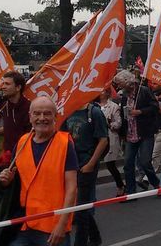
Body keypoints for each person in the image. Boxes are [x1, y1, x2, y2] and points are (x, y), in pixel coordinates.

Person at [0, 96, 78, 246]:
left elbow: (72, 188)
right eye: (37, 113)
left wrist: (62, 224)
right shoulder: (22, 142)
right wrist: (6, 179)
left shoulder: (65, 144)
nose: (42, 118)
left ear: (55, 117)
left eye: (47, 114)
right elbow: (16, 179)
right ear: (30, 117)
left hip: (51, 227)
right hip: (24, 223)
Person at [61, 101, 108, 246]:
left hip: (86, 164)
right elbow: (62, 137)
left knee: (80, 208)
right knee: (80, 205)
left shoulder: (94, 112)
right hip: (71, 165)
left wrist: (91, 164)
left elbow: (103, 140)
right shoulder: (67, 111)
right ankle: (95, 237)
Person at [114, 70, 161, 195]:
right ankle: (131, 191)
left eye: (120, 84)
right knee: (128, 164)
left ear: (127, 82)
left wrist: (140, 112)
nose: (118, 87)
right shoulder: (124, 96)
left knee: (145, 161)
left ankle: (156, 184)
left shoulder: (143, 91)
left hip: (144, 132)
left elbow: (155, 107)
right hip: (130, 133)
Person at [0, 71, 31, 165]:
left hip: (23, 156)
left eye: (7, 84)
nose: (2, 87)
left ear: (18, 87)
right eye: (3, 83)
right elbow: (9, 128)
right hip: (7, 153)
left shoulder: (29, 108)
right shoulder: (6, 104)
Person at [98, 88, 124, 196]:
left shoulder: (114, 106)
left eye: (102, 91)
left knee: (110, 164)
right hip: (98, 138)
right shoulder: (94, 106)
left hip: (111, 137)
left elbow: (118, 123)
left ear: (107, 93)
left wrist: (109, 124)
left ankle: (120, 185)